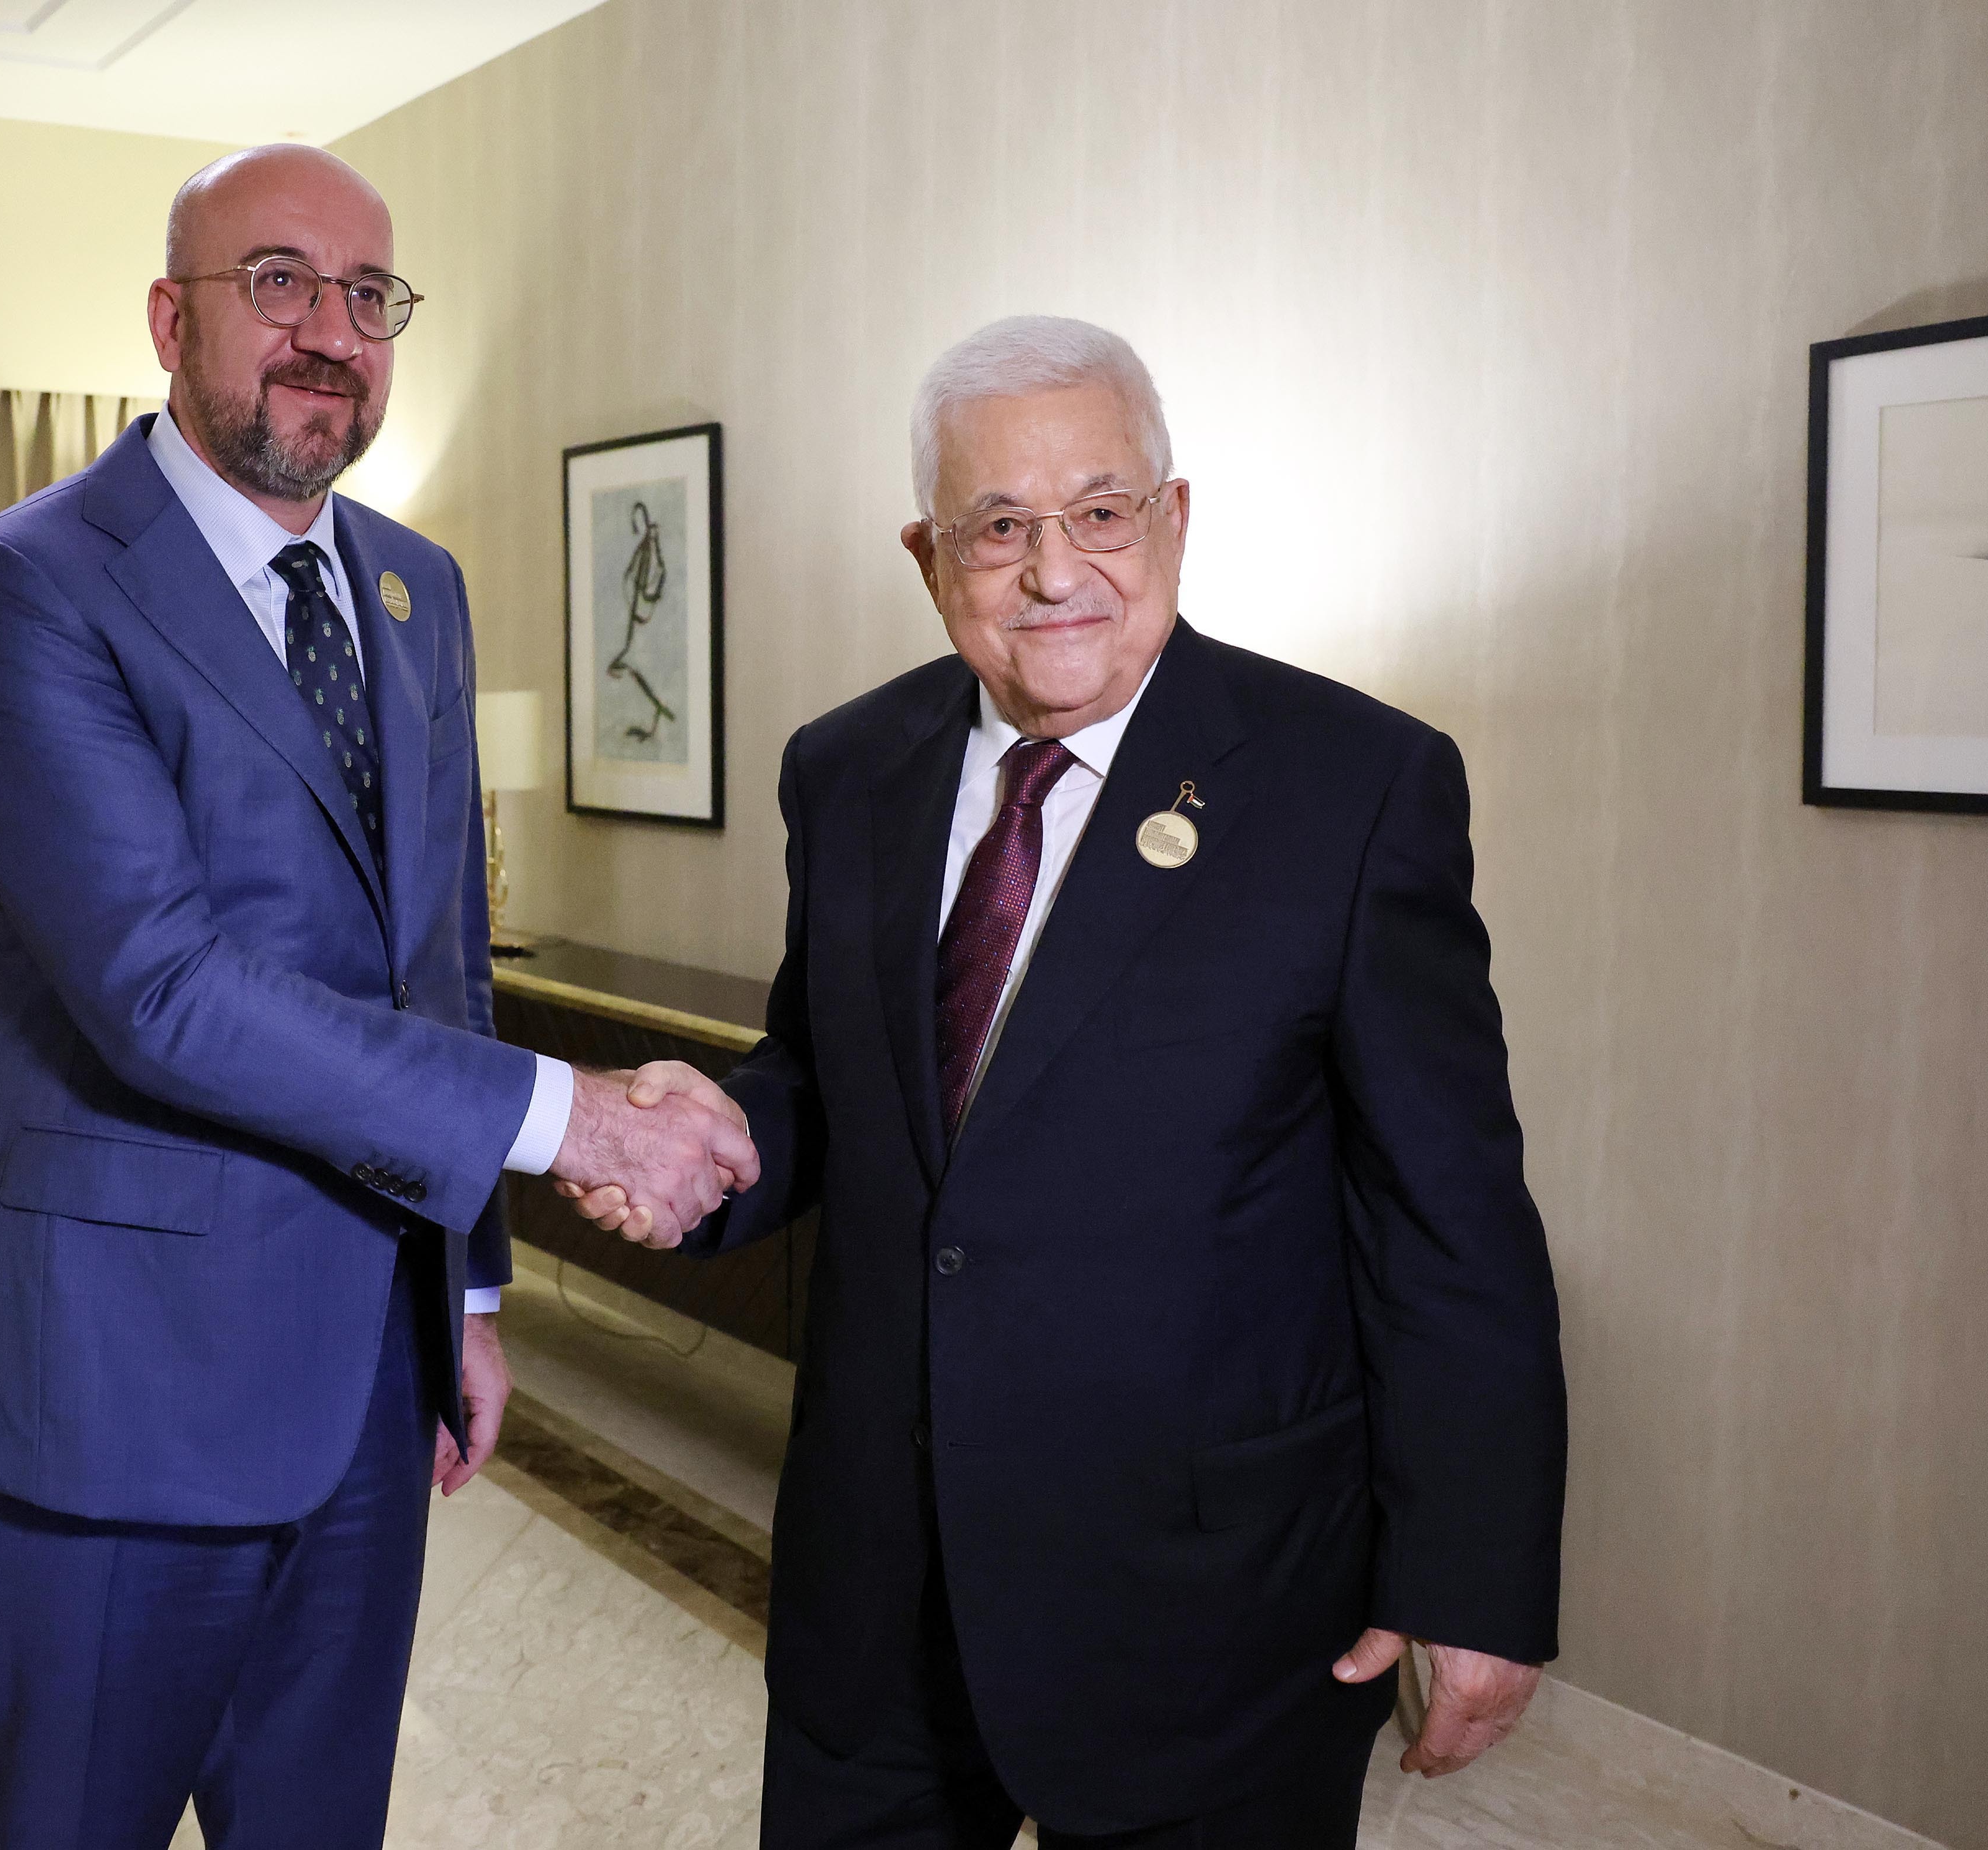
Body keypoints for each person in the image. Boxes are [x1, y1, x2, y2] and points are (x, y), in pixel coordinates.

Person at [566, 316, 1569, 1848]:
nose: (1054, 571)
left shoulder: (1351, 787)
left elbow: (1450, 1214)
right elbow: (823, 1076)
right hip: (880, 1584)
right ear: (926, 554)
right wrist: (709, 1144)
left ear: (1173, 518)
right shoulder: (844, 769)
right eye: (998, 528)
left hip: (1208, 1605)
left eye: (1101, 511)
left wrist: (1473, 1571)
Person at [0, 144, 752, 1849]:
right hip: (119, 1401)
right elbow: (159, 986)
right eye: (277, 282)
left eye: (368, 298)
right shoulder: (26, 587)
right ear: (170, 317)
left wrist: (475, 1293)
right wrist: (570, 1118)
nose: (329, 333)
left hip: (368, 1381)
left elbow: (433, 949)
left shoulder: (411, 583)